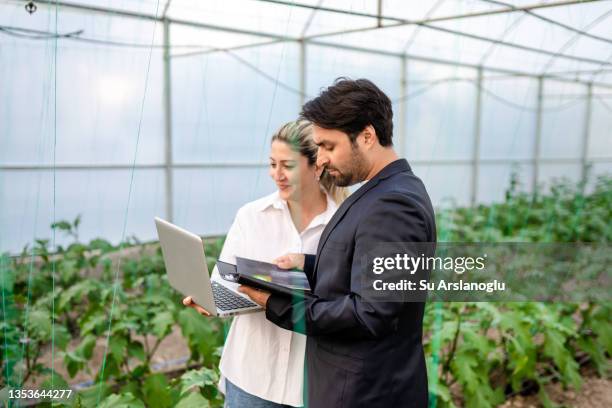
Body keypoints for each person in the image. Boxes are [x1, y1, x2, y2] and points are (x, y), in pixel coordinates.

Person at [239, 78, 437, 408]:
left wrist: (276, 304)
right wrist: (308, 264)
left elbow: (370, 313)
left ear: (367, 136)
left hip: (363, 394)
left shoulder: (392, 205)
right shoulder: (384, 192)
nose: (322, 160)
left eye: (329, 147)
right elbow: (369, 273)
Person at [183, 120, 346, 407]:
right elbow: (223, 279)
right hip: (251, 377)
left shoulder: (342, 224)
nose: (277, 175)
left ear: (317, 166)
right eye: (272, 164)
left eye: (288, 165)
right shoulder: (251, 216)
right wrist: (211, 299)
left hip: (311, 384)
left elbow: (346, 298)